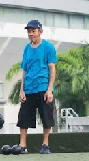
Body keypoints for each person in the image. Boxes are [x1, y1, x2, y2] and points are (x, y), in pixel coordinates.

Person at [17, 20, 58, 154]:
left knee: (46, 117)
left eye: (33, 31)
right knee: (23, 117)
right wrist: (22, 90)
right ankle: (22, 145)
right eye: (29, 32)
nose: (30, 34)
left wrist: (49, 89)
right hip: (29, 88)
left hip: (43, 87)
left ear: (40, 31)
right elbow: (24, 70)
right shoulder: (26, 48)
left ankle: (45, 144)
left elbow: (52, 69)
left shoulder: (48, 47)